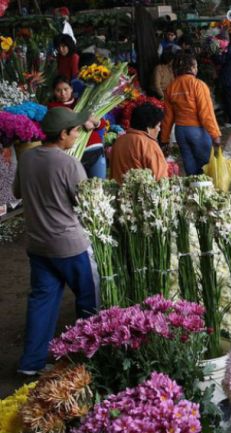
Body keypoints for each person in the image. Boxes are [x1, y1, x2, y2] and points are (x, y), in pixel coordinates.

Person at [13, 107, 99, 376]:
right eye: (74, 131)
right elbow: (85, 203)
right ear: (62, 134)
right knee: (89, 301)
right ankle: (88, 359)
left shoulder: (27, 158)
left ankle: (31, 364)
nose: (76, 135)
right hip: (70, 246)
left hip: (38, 245)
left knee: (42, 301)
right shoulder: (69, 164)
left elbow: (17, 192)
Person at [161, 53, 222, 175]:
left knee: (190, 168)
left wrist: (164, 138)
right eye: (196, 66)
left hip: (181, 132)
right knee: (206, 168)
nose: (197, 69)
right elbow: (206, 114)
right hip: (197, 131)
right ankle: (205, 191)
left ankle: (193, 191)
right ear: (192, 67)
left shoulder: (171, 87)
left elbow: (168, 117)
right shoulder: (198, 85)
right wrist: (215, 135)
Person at [48, 76, 107, 179]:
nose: (63, 93)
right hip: (73, 154)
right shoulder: (53, 107)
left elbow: (101, 124)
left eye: (66, 89)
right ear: (54, 92)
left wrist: (94, 121)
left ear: (71, 89)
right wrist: (82, 120)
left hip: (94, 147)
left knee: (99, 186)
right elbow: (62, 126)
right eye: (58, 90)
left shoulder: (84, 102)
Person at [110, 103, 169, 183]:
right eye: (158, 126)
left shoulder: (119, 141)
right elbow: (161, 179)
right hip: (141, 193)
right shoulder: (149, 144)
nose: (159, 129)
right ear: (148, 128)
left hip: (118, 192)